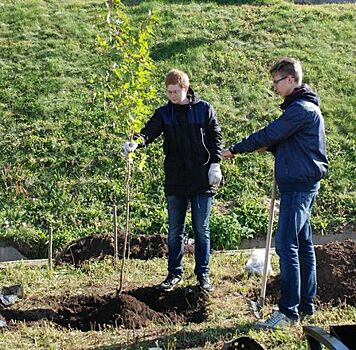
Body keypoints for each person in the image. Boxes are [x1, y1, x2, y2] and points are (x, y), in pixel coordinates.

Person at [223, 57, 328, 329]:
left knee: (286, 246)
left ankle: (288, 312)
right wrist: (270, 146)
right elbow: (288, 140)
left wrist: (235, 149)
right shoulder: (303, 109)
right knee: (303, 245)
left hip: (298, 186)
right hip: (301, 183)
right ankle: (306, 306)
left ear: (292, 80)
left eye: (277, 82)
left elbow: (271, 132)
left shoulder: (301, 110)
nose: (275, 88)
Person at [123, 69, 222, 292]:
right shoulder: (164, 114)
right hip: (176, 178)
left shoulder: (203, 110)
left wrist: (215, 164)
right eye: (169, 92)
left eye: (176, 91)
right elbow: (148, 132)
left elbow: (215, 136)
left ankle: (203, 275)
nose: (172, 96)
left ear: (186, 89)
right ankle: (174, 274)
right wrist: (136, 142)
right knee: (175, 230)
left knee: (201, 229)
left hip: (201, 178)